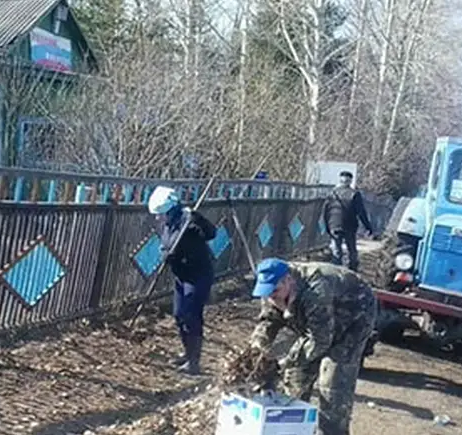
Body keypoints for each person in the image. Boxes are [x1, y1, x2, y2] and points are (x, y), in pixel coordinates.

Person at [248, 258, 377, 435]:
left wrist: (282, 363)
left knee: (333, 382)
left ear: (288, 280)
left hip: (355, 315)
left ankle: (333, 431)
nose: (271, 296)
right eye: (267, 292)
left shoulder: (316, 291)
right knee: (295, 379)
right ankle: (296, 428)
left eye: (275, 291)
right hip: (320, 322)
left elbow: (320, 340)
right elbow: (268, 322)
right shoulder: (272, 290)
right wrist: (255, 351)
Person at [148, 186, 217, 375]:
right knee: (179, 315)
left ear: (171, 210)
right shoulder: (168, 224)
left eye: (160, 214)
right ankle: (187, 353)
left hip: (198, 274)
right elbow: (165, 244)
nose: (158, 218)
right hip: (181, 275)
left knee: (191, 315)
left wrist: (199, 219)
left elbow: (211, 233)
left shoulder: (190, 221)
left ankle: (194, 361)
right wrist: (166, 256)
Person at [322, 171, 372, 271]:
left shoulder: (332, 193)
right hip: (350, 225)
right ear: (350, 181)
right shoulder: (355, 194)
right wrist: (368, 227)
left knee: (336, 250)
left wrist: (326, 226)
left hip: (334, 224)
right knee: (351, 249)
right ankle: (352, 271)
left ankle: (336, 271)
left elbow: (325, 210)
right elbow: (361, 212)